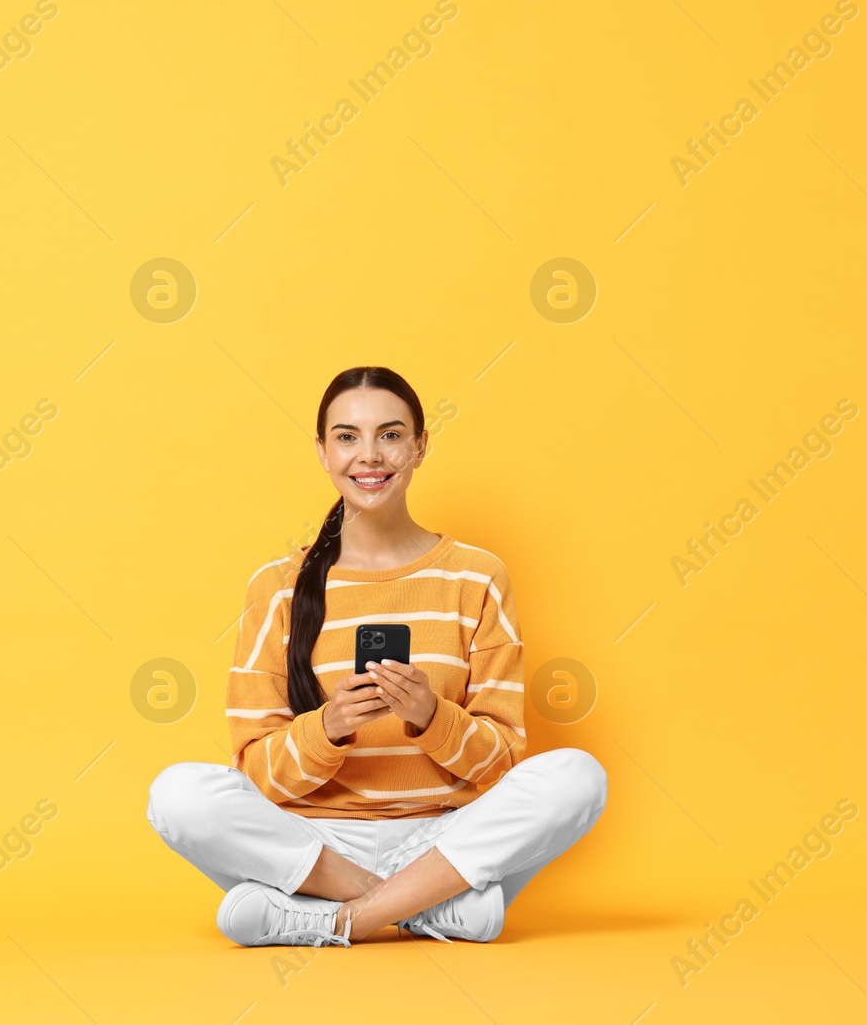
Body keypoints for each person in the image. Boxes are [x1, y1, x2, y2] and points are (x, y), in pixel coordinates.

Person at [147, 366, 607, 947]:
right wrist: (329, 728)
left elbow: (502, 766)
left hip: (444, 839)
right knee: (178, 793)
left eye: (390, 435)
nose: (370, 456)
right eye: (347, 436)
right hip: (315, 843)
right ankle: (427, 909)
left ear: (419, 447)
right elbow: (258, 775)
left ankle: (338, 919)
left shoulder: (478, 576)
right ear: (322, 451)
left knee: (577, 777)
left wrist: (430, 717)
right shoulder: (278, 586)